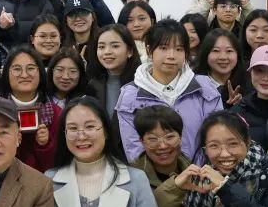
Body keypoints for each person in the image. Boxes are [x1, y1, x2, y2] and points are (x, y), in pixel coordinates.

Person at [48, 97, 162, 207]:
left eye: (90, 127)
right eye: (72, 128)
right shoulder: (50, 181)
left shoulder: (136, 180)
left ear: (106, 131)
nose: (81, 135)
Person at [117, 19, 223, 162]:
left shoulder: (204, 88)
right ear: (149, 50)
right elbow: (134, 150)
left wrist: (193, 171)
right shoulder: (131, 96)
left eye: (179, 49)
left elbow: (215, 139)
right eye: (163, 48)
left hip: (200, 172)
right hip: (152, 176)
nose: (171, 56)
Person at [130, 106, 191, 207]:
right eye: (153, 139)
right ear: (142, 141)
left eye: (170, 137)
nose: (162, 146)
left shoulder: (194, 170)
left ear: (180, 137)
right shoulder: (131, 177)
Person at [0, 46, 57, 173]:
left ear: (40, 72)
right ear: (6, 73)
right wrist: (10, 146)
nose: (24, 75)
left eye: (30, 68)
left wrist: (46, 144)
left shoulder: (56, 113)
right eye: (17, 69)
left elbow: (59, 163)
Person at [84, 23, 140, 123]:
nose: (107, 52)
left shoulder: (141, 85)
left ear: (130, 51)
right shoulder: (93, 85)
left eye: (115, 46)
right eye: (101, 47)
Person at [193, 28, 245, 109]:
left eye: (229, 51)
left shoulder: (249, 83)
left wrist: (240, 106)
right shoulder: (194, 86)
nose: (223, 57)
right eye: (216, 51)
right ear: (206, 54)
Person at [42, 48, 87, 123]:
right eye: (60, 70)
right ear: (52, 71)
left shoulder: (85, 102)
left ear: (80, 74)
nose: (65, 77)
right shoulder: (40, 98)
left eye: (72, 71)